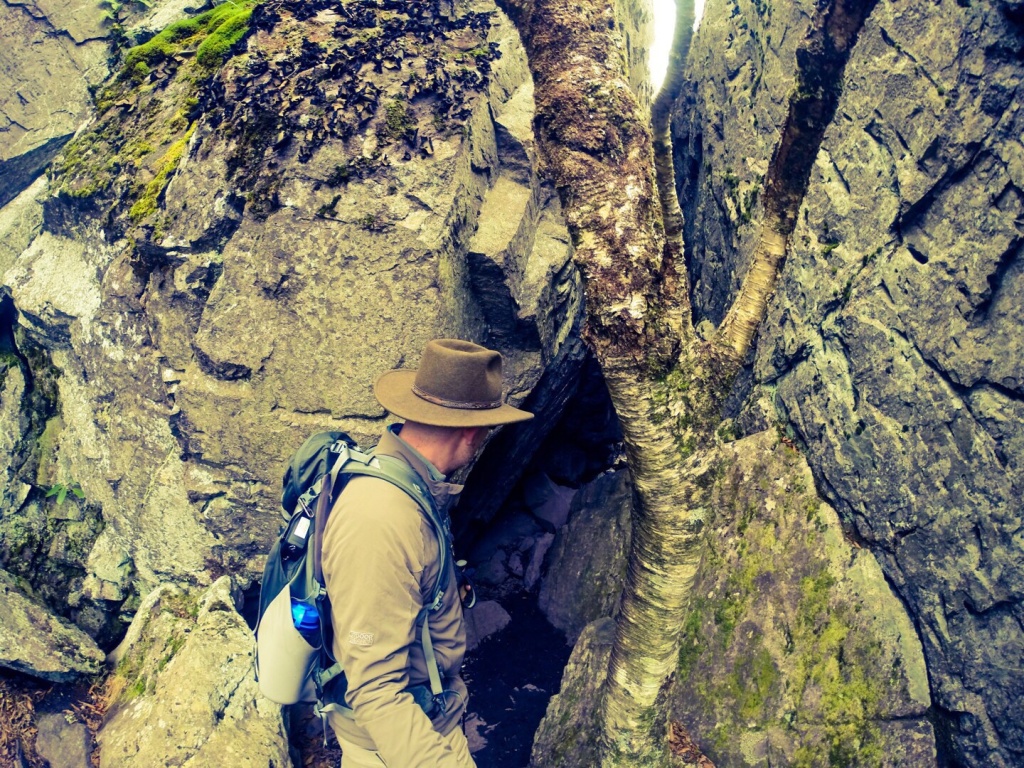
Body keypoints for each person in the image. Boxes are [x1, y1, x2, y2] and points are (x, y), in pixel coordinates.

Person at [322, 338, 533, 767]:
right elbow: (377, 691)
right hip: (396, 746)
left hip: (423, 721)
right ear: (473, 432)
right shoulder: (380, 518)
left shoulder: (408, 484)